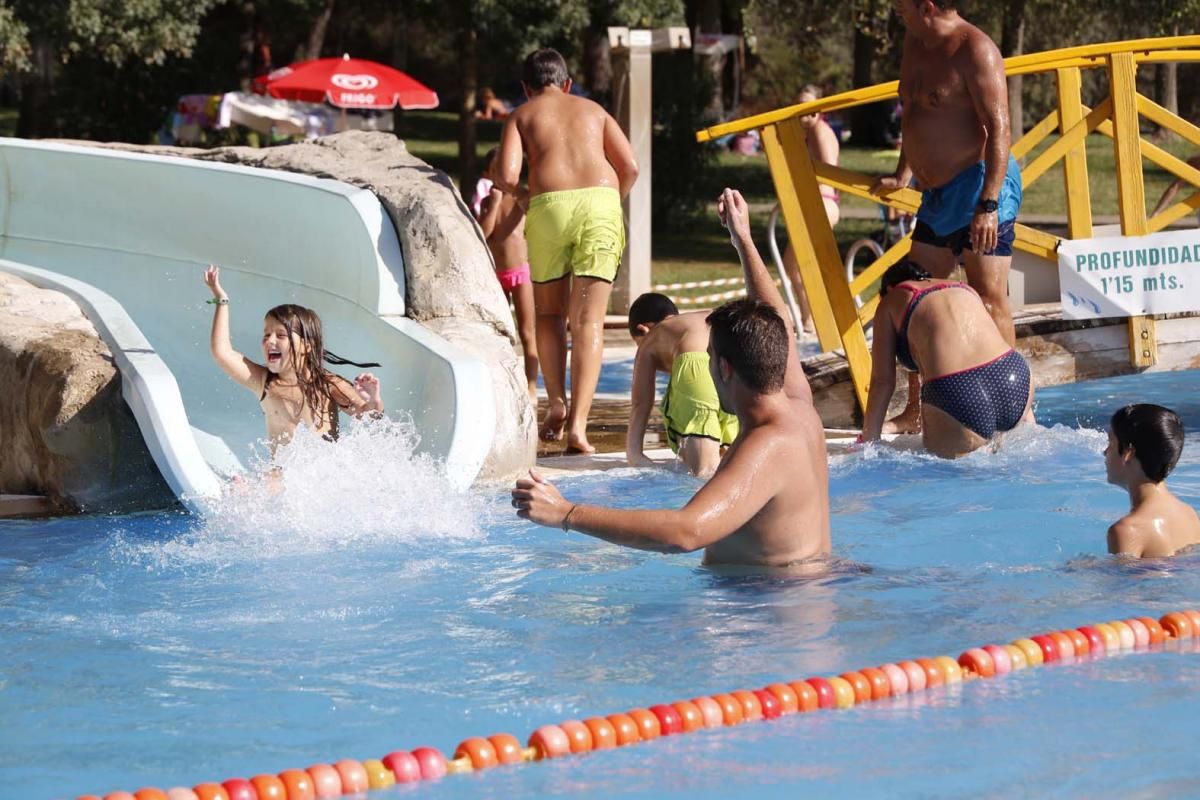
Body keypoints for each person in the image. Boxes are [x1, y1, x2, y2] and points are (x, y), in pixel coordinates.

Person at [511, 189, 830, 569]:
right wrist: (742, 240)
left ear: (724, 368)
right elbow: (779, 320)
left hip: (765, 613)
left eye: (710, 358)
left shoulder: (768, 445)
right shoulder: (800, 411)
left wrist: (566, 512)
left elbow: (686, 533)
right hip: (794, 597)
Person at [872, 0, 1023, 434]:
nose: (895, 10)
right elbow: (914, 109)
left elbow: (1000, 130)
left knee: (989, 297)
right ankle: (918, 408)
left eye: (902, 5)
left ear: (928, 5)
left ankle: (1013, 412)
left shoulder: (976, 49)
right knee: (913, 296)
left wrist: (989, 203)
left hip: (979, 185)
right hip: (935, 193)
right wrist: (905, 172)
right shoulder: (914, 39)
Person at [494, 48, 640, 454]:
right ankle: (578, 427)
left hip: (549, 207)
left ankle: (556, 401)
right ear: (568, 83)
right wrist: (608, 202)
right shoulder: (593, 110)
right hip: (601, 205)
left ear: (527, 89)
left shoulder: (522, 115)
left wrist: (523, 195)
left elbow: (505, 175)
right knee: (589, 322)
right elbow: (629, 166)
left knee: (550, 313)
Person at [203, 265, 383, 454]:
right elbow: (222, 352)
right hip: (281, 475)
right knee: (264, 478)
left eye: (281, 335)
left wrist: (374, 401)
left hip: (319, 475)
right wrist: (221, 301)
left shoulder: (327, 385)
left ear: (307, 346)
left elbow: (368, 418)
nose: (270, 340)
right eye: (266, 335)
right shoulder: (265, 383)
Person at [860, 260, 1031, 458]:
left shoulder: (891, 300)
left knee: (947, 477)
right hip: (1013, 376)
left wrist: (868, 444)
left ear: (889, 288)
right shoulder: (963, 288)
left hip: (957, 390)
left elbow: (882, 382)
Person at [625, 293, 739, 477]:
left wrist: (635, 454)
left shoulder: (651, 337)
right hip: (735, 363)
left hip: (694, 365)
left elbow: (640, 404)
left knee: (702, 473)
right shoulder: (699, 319)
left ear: (643, 329)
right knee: (732, 465)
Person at [476, 148, 539, 401]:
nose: (501, 176)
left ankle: (532, 387)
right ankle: (501, 383)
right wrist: (493, 205)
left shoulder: (522, 199)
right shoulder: (485, 202)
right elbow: (484, 234)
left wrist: (516, 194)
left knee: (527, 332)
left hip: (521, 272)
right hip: (496, 274)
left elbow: (528, 215)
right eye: (495, 172)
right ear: (488, 174)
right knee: (499, 331)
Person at [781, 84, 841, 336]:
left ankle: (813, 321)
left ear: (819, 108)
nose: (802, 112)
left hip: (821, 202)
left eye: (808, 106)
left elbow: (827, 170)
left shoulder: (818, 131)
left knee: (799, 265)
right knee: (795, 265)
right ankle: (811, 319)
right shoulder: (813, 132)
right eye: (798, 105)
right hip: (822, 202)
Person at [1105, 404, 1200, 558]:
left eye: (1111, 443)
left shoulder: (1127, 530)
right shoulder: (1189, 514)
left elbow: (1125, 580)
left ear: (1128, 453)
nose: (1105, 452)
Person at [1150, 155, 1200, 223]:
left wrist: (1156, 212)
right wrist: (1156, 212)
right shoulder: (1194, 162)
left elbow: (1174, 187)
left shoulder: (1194, 162)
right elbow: (1174, 188)